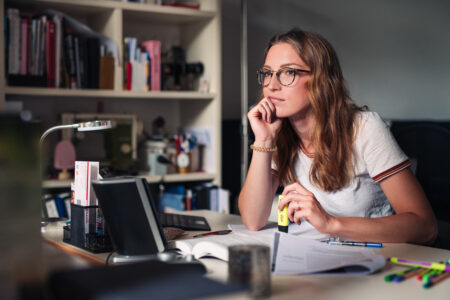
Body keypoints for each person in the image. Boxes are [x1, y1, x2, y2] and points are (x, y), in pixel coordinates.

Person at [238, 28, 437, 244]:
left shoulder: (364, 128)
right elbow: (253, 220)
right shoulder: (278, 131)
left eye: (288, 72)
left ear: (321, 80)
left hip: (377, 259)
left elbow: (425, 226)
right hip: (316, 255)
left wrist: (330, 223)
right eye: (267, 73)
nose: (272, 85)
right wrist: (264, 140)